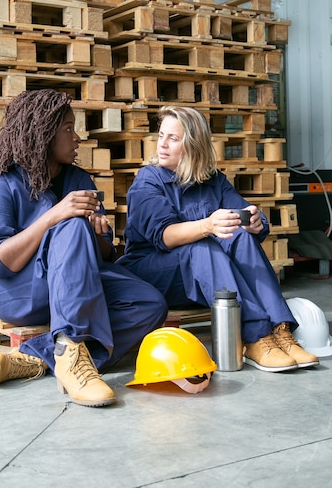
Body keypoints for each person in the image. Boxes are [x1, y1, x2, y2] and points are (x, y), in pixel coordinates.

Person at [0, 89, 167, 407]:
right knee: (70, 223)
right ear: (43, 133)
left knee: (148, 304)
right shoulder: (0, 186)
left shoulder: (79, 180)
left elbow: (105, 253)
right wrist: (54, 216)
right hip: (17, 290)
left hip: (76, 281)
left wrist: (97, 234)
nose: (77, 137)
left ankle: (36, 357)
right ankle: (72, 350)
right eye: (68, 128)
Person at [117, 105, 319, 372]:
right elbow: (165, 236)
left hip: (208, 280)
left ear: (193, 145)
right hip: (154, 274)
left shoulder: (213, 180)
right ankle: (255, 336)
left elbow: (242, 217)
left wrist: (256, 223)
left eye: (173, 138)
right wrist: (207, 225)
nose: (162, 145)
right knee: (201, 248)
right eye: (161, 135)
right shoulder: (148, 182)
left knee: (241, 234)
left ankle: (279, 329)